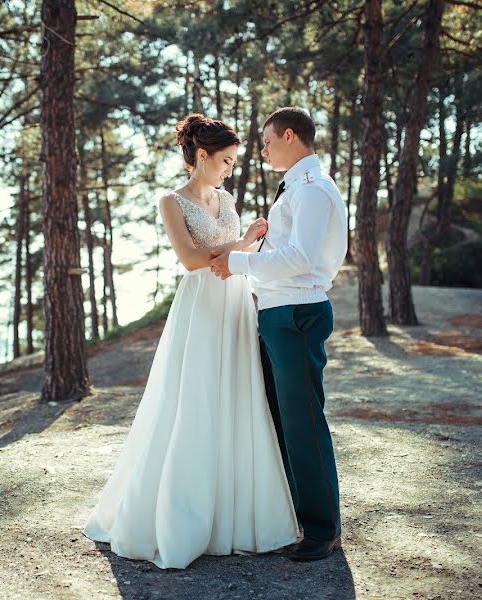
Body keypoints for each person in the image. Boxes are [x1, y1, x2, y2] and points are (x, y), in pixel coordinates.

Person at [82, 114, 298, 570]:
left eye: (233, 161)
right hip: (201, 306)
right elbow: (190, 259)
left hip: (236, 303)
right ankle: (182, 517)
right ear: (202, 155)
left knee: (240, 399)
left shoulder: (227, 197)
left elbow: (237, 257)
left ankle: (237, 517)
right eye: (225, 160)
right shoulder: (172, 201)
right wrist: (243, 241)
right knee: (195, 399)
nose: (229, 169)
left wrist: (257, 246)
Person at [210, 106, 348, 561]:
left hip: (296, 316)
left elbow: (301, 259)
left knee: (303, 423)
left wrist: (239, 262)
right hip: (277, 313)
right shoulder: (296, 189)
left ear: (290, 135)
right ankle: (300, 518)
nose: (263, 149)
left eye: (268, 141)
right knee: (282, 421)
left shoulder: (312, 191)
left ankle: (322, 529)